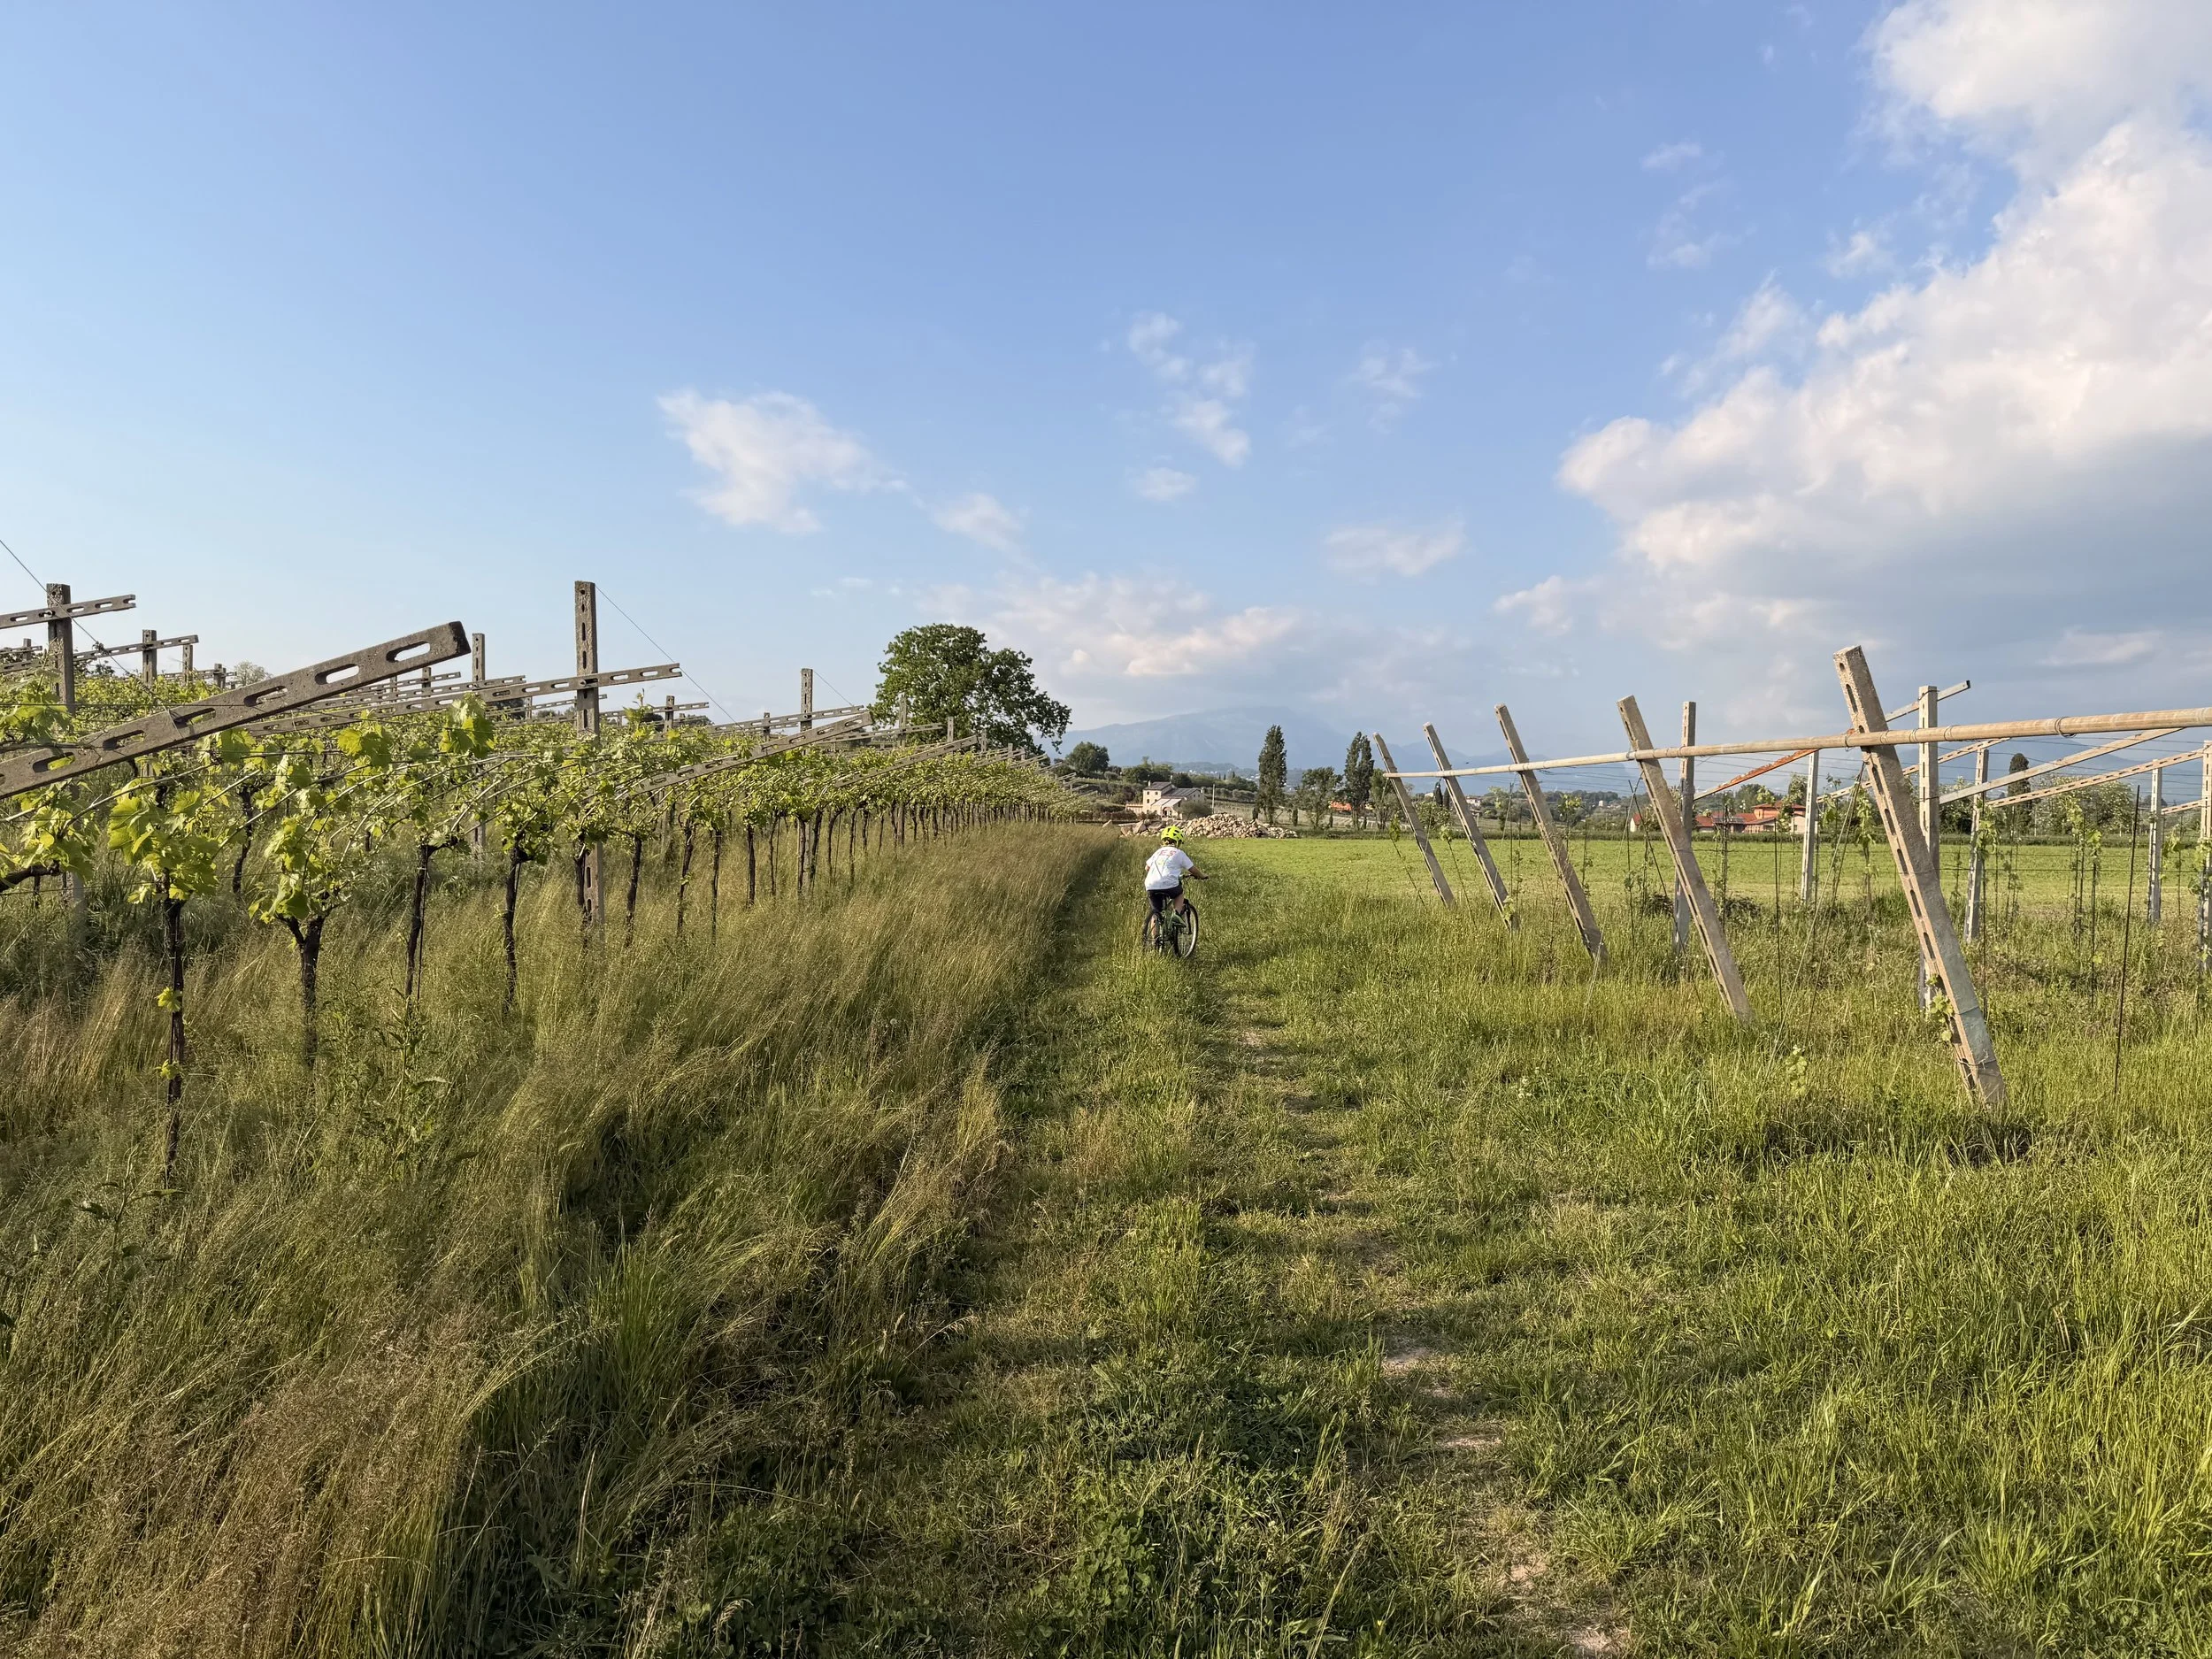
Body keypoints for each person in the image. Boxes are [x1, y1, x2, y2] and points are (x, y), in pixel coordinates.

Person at [1143, 824, 1205, 926]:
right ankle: (1176, 915)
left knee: (1156, 912)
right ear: (1177, 841)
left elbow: (1147, 868)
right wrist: (1202, 876)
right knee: (1179, 894)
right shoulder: (1179, 853)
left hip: (1151, 885)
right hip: (1169, 884)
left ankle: (1155, 941)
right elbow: (1192, 869)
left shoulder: (1158, 852)